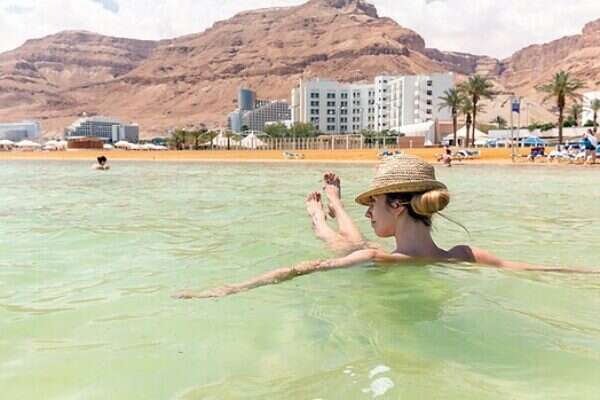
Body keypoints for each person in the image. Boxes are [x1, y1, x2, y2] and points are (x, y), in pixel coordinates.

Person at [174, 156, 597, 299]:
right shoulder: (465, 256)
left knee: (346, 244)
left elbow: (302, 269)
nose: (370, 212)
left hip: (370, 259)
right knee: (351, 242)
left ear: (397, 205)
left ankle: (324, 213)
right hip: (378, 256)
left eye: (372, 204)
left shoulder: (375, 258)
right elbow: (532, 269)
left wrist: (230, 288)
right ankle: (327, 207)